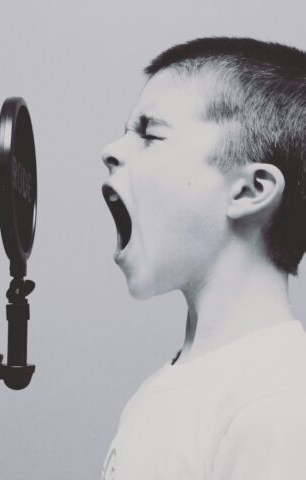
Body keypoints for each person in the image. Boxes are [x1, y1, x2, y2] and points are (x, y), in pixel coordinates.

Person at [101, 37, 306, 480]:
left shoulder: (281, 401)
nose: (111, 150)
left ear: (250, 190)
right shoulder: (159, 392)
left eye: (150, 135)